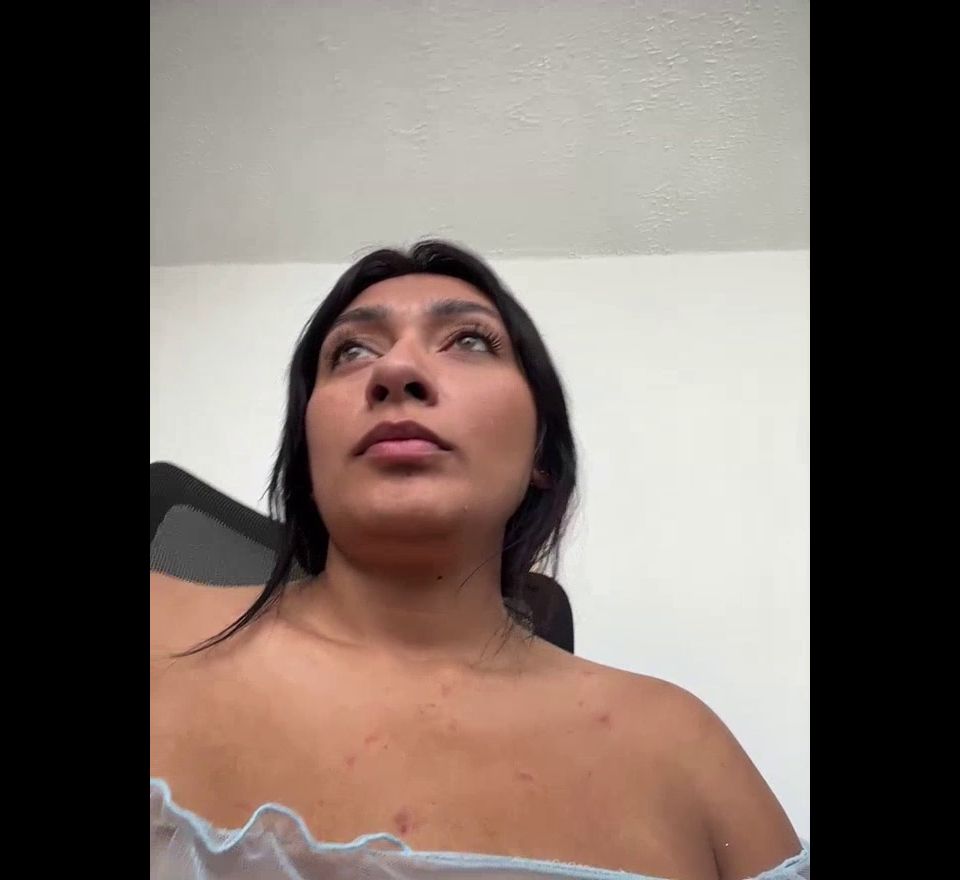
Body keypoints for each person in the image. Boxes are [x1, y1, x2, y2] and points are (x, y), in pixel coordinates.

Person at [150, 240, 809, 879]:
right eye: (351, 351)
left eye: (469, 341)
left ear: (541, 455)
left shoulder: (683, 747)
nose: (395, 372)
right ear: (307, 456)